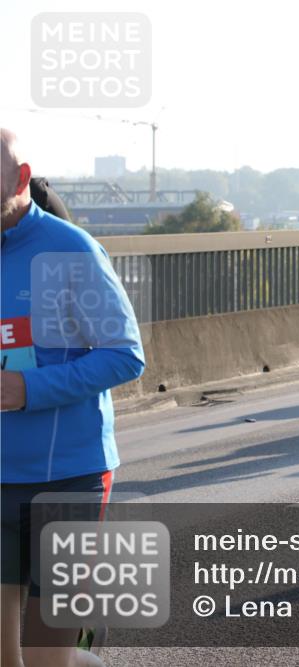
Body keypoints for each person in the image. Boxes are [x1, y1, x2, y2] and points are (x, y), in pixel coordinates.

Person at [1, 129, 145, 667]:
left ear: (19, 178)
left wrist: (27, 389)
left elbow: (125, 355)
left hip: (67, 480)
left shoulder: (70, 250)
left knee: (44, 657)